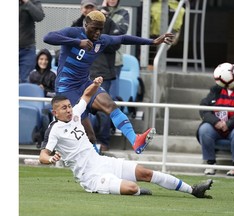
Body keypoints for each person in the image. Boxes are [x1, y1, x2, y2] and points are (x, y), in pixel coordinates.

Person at [39, 77, 213, 197]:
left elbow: (86, 95)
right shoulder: (54, 130)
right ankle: (136, 191)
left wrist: (95, 83)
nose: (69, 110)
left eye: (69, 106)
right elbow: (42, 155)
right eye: (64, 108)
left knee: (145, 172)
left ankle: (193, 190)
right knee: (132, 188)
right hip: (90, 176)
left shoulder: (76, 113)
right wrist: (51, 158)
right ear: (55, 112)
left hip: (103, 162)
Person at [43, 10, 175, 154]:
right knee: (90, 136)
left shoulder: (102, 41)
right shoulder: (74, 33)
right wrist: (77, 42)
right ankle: (86, 167)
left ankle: (135, 140)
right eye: (95, 28)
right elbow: (48, 37)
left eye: (101, 29)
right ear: (85, 25)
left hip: (85, 84)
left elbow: (123, 38)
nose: (98, 33)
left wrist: (152, 42)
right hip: (66, 89)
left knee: (110, 105)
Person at [71, 0, 122, 152]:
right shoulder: (77, 24)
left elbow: (116, 44)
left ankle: (103, 141)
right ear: (82, 10)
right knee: (80, 109)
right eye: (86, 8)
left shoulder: (107, 23)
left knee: (105, 109)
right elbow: (70, 43)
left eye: (91, 8)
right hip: (83, 75)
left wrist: (99, 38)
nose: (89, 11)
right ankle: (82, 142)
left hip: (102, 74)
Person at [196, 64, 234, 175]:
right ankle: (210, 163)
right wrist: (216, 122)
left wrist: (229, 123)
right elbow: (204, 108)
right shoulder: (215, 90)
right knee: (204, 129)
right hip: (217, 126)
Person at [19, 0, 45, 83]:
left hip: (27, 50)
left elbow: (39, 17)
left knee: (25, 80)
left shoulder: (33, 2)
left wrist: (27, 2)